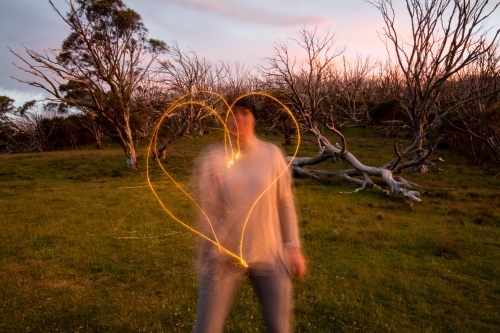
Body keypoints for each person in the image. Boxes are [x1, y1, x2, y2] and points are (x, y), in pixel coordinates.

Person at [192, 98, 306, 333]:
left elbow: (284, 202)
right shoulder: (214, 159)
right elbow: (209, 209)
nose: (238, 118)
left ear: (254, 118)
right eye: (232, 114)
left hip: (268, 252)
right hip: (224, 254)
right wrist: (210, 246)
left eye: (244, 112)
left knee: (279, 328)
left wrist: (292, 246)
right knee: (206, 329)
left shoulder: (272, 154)